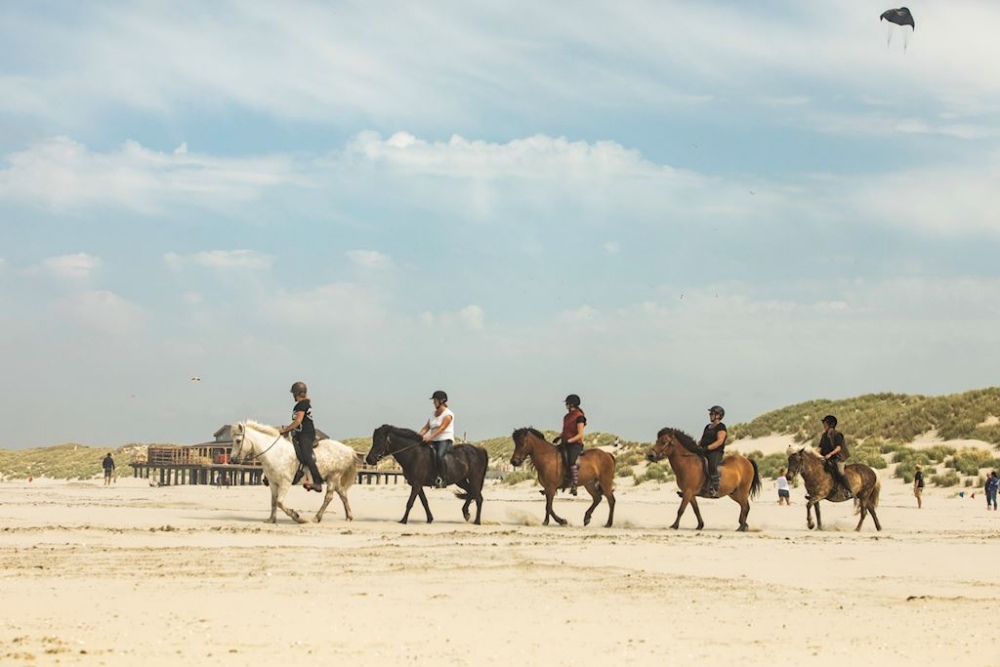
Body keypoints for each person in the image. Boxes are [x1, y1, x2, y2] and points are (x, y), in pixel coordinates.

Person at [278, 381, 323, 493]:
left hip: (306, 434)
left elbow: (298, 421)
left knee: (307, 456)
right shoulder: (303, 404)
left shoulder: (302, 404)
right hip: (299, 434)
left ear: (295, 393)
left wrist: (285, 429)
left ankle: (318, 482)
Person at [420, 390, 455, 488]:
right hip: (433, 440)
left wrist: (429, 437)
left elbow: (442, 428)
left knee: (439, 455)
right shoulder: (432, 414)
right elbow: (426, 427)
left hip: (444, 440)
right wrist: (419, 436)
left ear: (441, 401)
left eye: (435, 400)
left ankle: (443, 479)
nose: (433, 403)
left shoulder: (448, 414)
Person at [554, 394, 587, 496]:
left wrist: (569, 441)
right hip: (565, 442)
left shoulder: (580, 417)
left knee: (572, 461)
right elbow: (565, 431)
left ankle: (574, 484)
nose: (566, 405)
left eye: (567, 403)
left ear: (571, 404)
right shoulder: (566, 417)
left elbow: (580, 434)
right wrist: (559, 437)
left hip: (575, 444)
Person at [817, 415, 852, 499]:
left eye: (825, 423)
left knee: (840, 471)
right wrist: (812, 453)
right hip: (827, 457)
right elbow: (820, 447)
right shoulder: (824, 435)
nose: (823, 425)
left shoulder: (837, 434)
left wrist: (830, 454)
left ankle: (848, 490)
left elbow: (838, 447)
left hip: (838, 457)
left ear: (830, 424)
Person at [699, 405, 728, 498]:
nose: (710, 415)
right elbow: (702, 439)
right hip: (704, 450)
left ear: (718, 415)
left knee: (711, 466)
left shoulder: (721, 427)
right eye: (710, 413)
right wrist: (695, 446)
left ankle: (715, 488)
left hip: (715, 452)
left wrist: (707, 448)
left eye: (712, 413)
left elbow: (720, 441)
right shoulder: (708, 427)